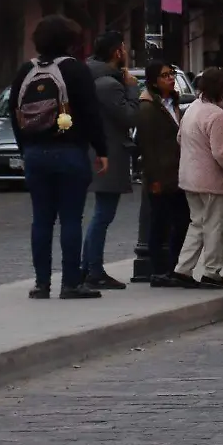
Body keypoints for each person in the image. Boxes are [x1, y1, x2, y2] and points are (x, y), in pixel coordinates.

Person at [9, 15, 109, 301]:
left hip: (35, 153)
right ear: (69, 41)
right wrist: (101, 150)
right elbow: (90, 113)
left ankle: (41, 284)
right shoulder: (75, 69)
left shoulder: (26, 70)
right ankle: (70, 283)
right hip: (69, 151)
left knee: (41, 220)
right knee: (70, 219)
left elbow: (14, 114)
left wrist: (25, 149)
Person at [175, 67, 223, 289]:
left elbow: (180, 138)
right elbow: (222, 154)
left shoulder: (193, 108)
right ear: (221, 89)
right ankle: (212, 272)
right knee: (215, 228)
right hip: (211, 181)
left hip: (189, 177)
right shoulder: (216, 115)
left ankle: (183, 269)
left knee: (197, 224)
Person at [82, 31, 141, 290]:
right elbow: (130, 117)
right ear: (117, 52)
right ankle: (93, 269)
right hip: (109, 152)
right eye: (124, 48)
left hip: (99, 150)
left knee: (101, 213)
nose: (126, 52)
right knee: (103, 214)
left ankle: (88, 267)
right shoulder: (108, 84)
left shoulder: (91, 76)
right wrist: (132, 88)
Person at [135, 60, 193, 288]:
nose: (170, 78)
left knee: (181, 221)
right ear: (153, 81)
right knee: (160, 223)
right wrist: (154, 179)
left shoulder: (173, 102)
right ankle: (159, 271)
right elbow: (147, 146)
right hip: (160, 175)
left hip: (177, 172)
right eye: (165, 75)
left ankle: (173, 267)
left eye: (172, 74)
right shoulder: (148, 108)